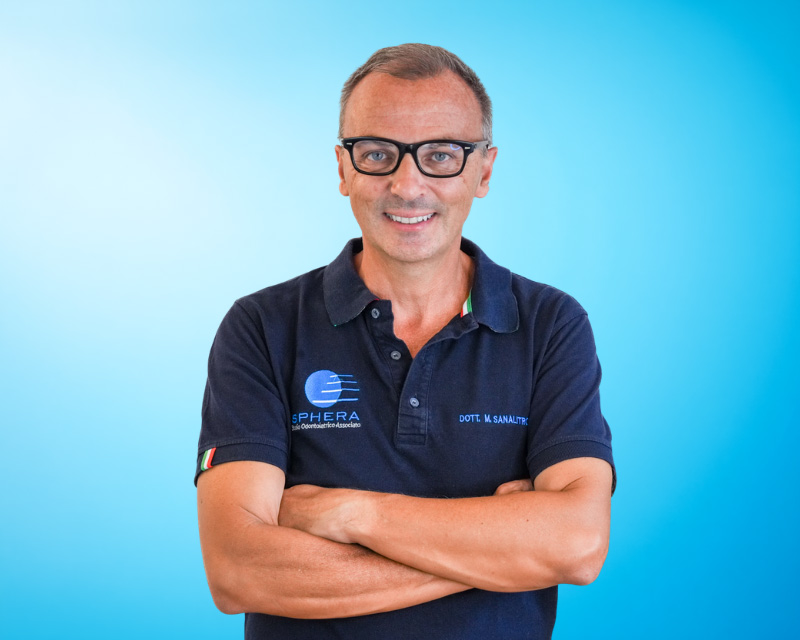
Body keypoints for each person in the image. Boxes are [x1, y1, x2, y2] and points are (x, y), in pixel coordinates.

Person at [195, 43, 615, 640]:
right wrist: (502, 551)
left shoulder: (550, 324)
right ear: (343, 169)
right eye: (377, 154)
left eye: (441, 155)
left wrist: (352, 514)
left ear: (484, 171)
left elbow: (577, 545)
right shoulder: (261, 327)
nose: (408, 184)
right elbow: (239, 572)